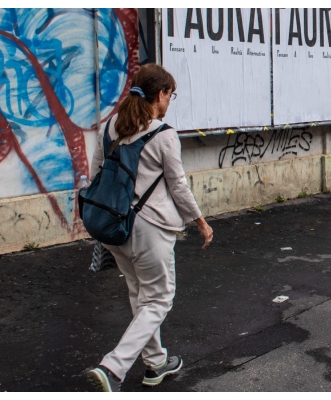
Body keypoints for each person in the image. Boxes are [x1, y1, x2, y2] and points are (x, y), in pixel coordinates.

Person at [85, 64, 214, 392]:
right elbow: (179, 186)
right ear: (160, 95)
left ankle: (155, 363)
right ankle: (113, 367)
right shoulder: (163, 134)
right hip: (150, 229)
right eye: (170, 95)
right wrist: (199, 221)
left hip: (114, 227)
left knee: (140, 294)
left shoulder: (112, 125)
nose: (170, 101)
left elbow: (97, 171)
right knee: (159, 299)